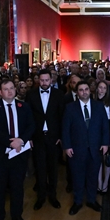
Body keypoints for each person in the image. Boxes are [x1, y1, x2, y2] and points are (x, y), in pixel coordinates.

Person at [0, 79, 35, 220]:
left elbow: (31, 126)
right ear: (0, 92)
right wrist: (9, 142)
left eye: (12, 88)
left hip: (19, 155)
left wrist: (21, 140)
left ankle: (17, 216)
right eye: (6, 89)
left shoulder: (24, 106)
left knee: (17, 188)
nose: (10, 91)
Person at [61, 81, 109, 214]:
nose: (84, 92)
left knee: (93, 176)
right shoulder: (70, 108)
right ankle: (77, 202)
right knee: (77, 177)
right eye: (81, 90)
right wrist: (67, 146)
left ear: (90, 90)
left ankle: (92, 200)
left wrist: (105, 143)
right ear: (77, 93)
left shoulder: (99, 106)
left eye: (86, 89)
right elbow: (65, 129)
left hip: (96, 148)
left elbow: (105, 126)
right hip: (76, 149)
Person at [26, 69, 65, 211]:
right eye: (41, 80)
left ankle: (53, 196)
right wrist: (29, 137)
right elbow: (28, 118)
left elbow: (62, 117)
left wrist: (61, 136)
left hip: (54, 138)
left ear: (51, 80)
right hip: (37, 137)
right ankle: (41, 197)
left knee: (53, 169)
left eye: (46, 80)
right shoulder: (31, 95)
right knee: (40, 168)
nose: (44, 83)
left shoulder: (59, 94)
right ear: (38, 80)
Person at [94, 80, 110, 194]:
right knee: (97, 159)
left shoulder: (109, 102)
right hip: (95, 132)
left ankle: (106, 182)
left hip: (106, 131)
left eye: (104, 88)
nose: (101, 90)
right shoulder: (92, 100)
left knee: (107, 159)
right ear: (97, 88)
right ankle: (99, 182)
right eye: (100, 87)